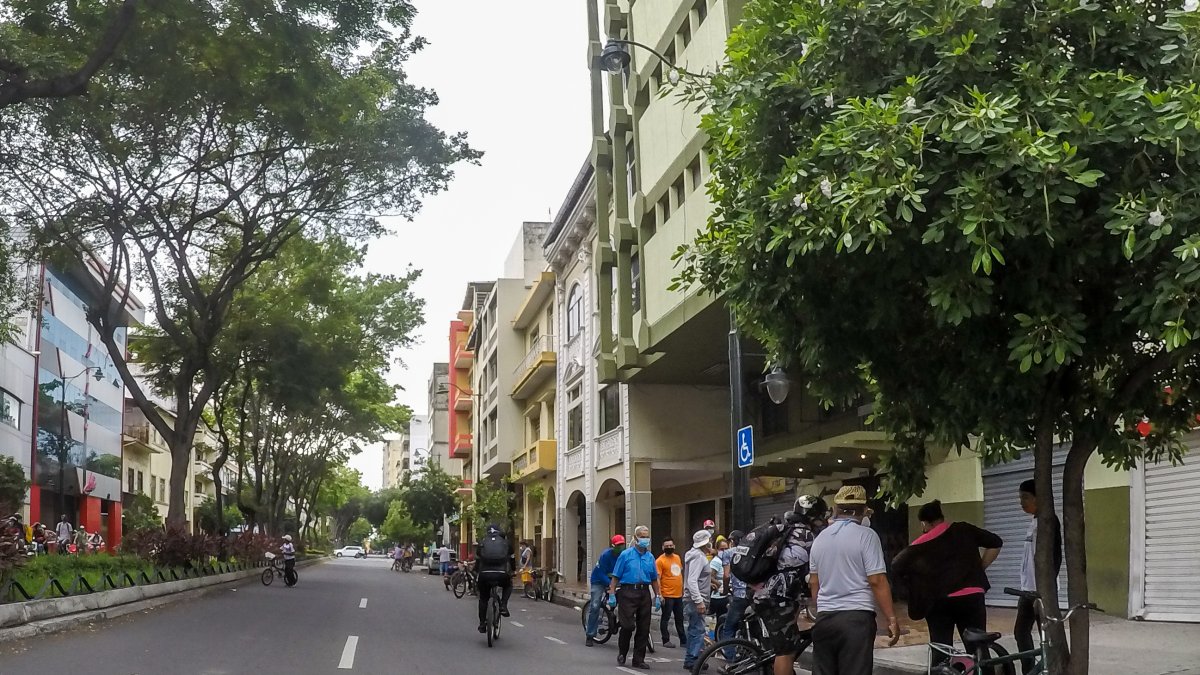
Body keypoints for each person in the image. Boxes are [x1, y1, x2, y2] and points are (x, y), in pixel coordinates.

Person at [892, 500, 1002, 664]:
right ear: (941, 517)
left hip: (939, 603)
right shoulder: (964, 529)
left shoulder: (919, 545)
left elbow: (896, 565)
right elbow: (996, 542)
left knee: (941, 648)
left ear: (925, 523)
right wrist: (979, 568)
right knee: (978, 646)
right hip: (971, 598)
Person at [809, 486, 899, 675]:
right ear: (864, 510)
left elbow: (814, 582)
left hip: (825, 620)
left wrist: (822, 608)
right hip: (856, 620)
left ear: (836, 508)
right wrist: (891, 618)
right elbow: (877, 580)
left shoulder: (820, 539)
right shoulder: (867, 536)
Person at [755, 494, 828, 675]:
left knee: (786, 644)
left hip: (768, 595)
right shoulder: (808, 536)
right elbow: (818, 568)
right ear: (813, 516)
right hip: (779, 599)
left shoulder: (786, 531)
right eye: (820, 517)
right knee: (786, 652)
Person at [1015, 479, 1062, 675]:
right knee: (1021, 632)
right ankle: (1030, 669)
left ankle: (1048, 669)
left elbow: (1052, 560)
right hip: (1028, 590)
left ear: (1039, 498)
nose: (1022, 502)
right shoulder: (1034, 521)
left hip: (1040, 592)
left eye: (1026, 497)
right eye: (1020, 498)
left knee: (1047, 635)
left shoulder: (1047, 522)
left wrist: (1041, 593)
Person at [608, 524, 660, 669]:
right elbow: (616, 575)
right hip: (627, 592)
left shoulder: (650, 557)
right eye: (642, 536)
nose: (645, 539)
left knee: (644, 628)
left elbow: (654, 578)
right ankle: (622, 652)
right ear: (636, 538)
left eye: (647, 536)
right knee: (628, 626)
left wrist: (658, 596)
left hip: (644, 592)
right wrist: (612, 592)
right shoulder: (626, 555)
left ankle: (638, 659)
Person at [586, 535, 626, 647]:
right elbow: (600, 573)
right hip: (599, 580)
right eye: (618, 545)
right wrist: (610, 585)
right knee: (595, 606)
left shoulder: (624, 555)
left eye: (622, 544)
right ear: (613, 546)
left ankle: (614, 618)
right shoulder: (605, 555)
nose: (621, 547)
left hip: (615, 581)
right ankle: (590, 635)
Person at [683, 529, 714, 671]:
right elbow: (692, 580)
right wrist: (699, 601)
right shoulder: (698, 557)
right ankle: (693, 659)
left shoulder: (694, 555)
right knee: (698, 630)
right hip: (696, 599)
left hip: (693, 598)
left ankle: (693, 658)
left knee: (694, 629)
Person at [475, 524, 515, 633]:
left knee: (483, 598)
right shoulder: (506, 543)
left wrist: (476, 571)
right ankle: (503, 605)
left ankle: (482, 624)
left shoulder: (482, 542)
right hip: (502, 573)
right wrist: (513, 571)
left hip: (484, 574)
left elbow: (478, 560)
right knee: (508, 585)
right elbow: (512, 559)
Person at [717, 529, 748, 650]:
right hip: (753, 594)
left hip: (739, 594)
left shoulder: (728, 553)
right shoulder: (751, 550)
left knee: (729, 627)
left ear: (732, 541)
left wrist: (725, 590)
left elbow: (726, 575)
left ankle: (730, 660)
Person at [655, 536, 686, 648]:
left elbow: (679, 573)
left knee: (680, 618)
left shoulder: (677, 557)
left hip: (678, 594)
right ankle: (665, 640)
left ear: (674, 546)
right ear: (663, 547)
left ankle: (683, 641)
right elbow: (657, 578)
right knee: (666, 618)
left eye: (671, 546)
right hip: (667, 595)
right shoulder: (660, 561)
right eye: (667, 546)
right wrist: (659, 595)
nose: (669, 547)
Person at [709, 537, 729, 623]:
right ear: (717, 549)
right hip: (719, 597)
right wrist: (720, 585)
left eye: (726, 549)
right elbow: (710, 577)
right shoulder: (716, 561)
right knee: (721, 620)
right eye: (722, 549)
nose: (724, 551)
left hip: (728, 594)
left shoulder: (728, 560)